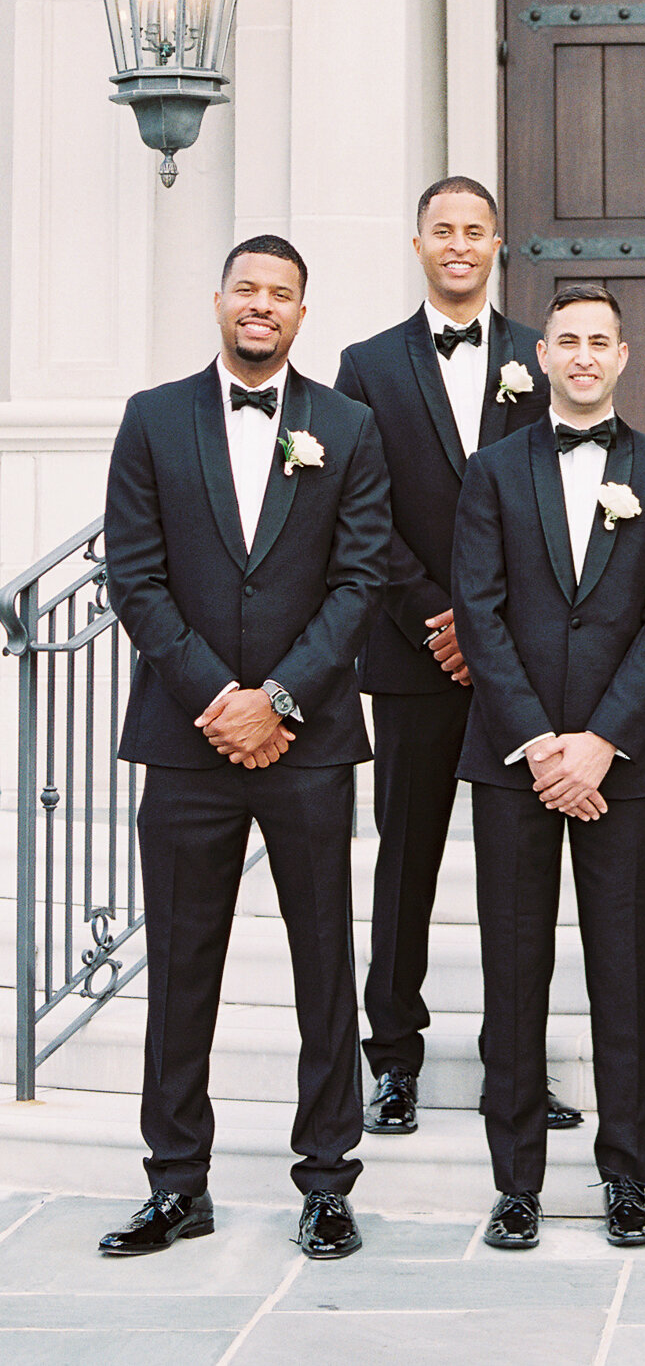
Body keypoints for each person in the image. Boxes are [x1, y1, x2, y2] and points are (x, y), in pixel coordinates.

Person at [97, 237, 391, 1261]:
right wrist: (220, 697)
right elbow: (134, 577)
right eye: (247, 290)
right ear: (217, 298)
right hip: (185, 740)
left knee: (323, 965)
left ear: (303, 313)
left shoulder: (347, 426)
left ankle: (326, 1182)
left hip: (306, 743)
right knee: (183, 965)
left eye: (282, 295)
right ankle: (176, 1183)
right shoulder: (151, 418)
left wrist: (281, 699)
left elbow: (360, 579)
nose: (262, 307)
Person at [452, 283, 645, 1251]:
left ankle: (627, 1177)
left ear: (624, 356)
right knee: (513, 974)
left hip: (621, 764)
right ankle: (515, 1183)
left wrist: (599, 740)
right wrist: (541, 742)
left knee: (621, 973)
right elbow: (481, 608)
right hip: (514, 760)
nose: (585, 355)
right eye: (568, 340)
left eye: (601, 340)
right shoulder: (492, 472)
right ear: (542, 354)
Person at [335, 176, 566, 1137]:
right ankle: (392, 1057)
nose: (460, 245)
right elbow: (361, 509)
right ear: (418, 242)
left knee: (520, 872)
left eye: (476, 231)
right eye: (444, 230)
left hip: (521, 659)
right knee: (409, 858)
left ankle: (516, 1064)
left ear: (498, 243)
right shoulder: (367, 364)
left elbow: (559, 495)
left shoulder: (539, 356)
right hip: (412, 652)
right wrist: (442, 615)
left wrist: (492, 628)